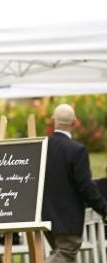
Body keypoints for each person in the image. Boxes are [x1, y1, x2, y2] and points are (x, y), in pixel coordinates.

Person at [42, 104, 107, 263]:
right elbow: (85, 186)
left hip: (44, 216)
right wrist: (104, 209)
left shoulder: (40, 146)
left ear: (52, 120)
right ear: (74, 122)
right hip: (67, 218)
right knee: (65, 254)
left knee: (62, 255)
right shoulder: (77, 150)